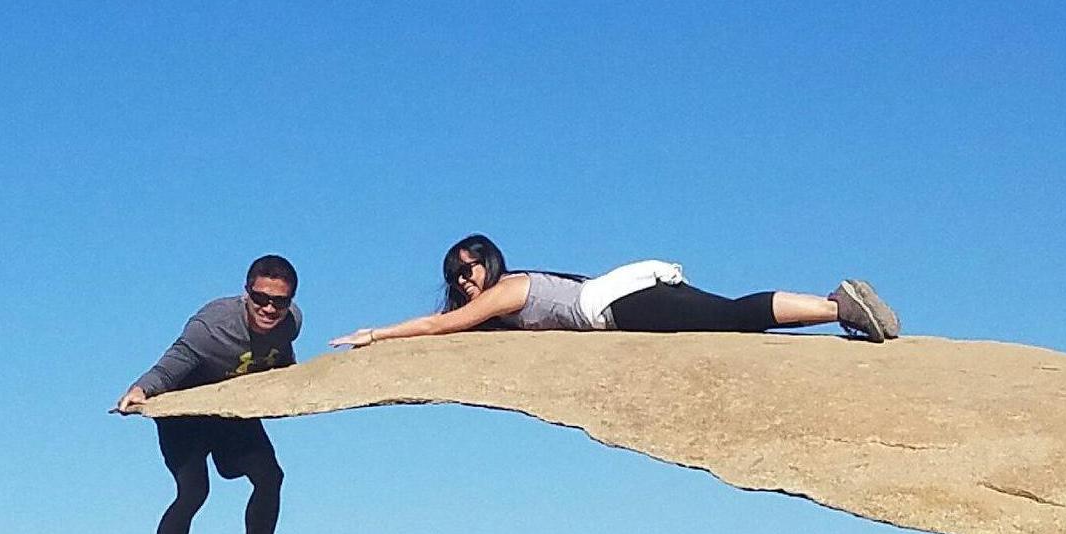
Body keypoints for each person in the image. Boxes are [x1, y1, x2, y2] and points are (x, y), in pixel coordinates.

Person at [115, 255, 302, 534]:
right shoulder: (211, 326)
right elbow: (170, 366)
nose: (269, 308)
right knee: (194, 492)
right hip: (186, 412)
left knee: (271, 477)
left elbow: (282, 365)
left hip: (231, 410)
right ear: (247, 293)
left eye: (279, 302)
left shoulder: (291, 324)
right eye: (261, 298)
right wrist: (140, 390)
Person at [331, 234, 899, 348]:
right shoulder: (501, 298)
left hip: (616, 302)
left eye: (472, 266)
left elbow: (437, 326)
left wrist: (377, 333)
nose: (465, 279)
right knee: (725, 317)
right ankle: (835, 305)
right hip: (624, 293)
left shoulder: (505, 291)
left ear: (491, 263)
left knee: (729, 318)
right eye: (456, 274)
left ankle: (836, 304)